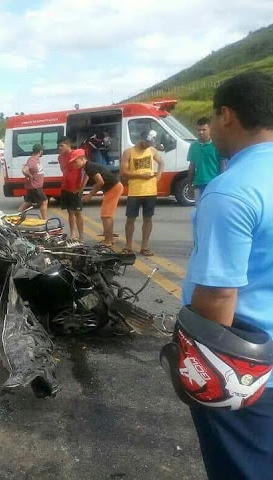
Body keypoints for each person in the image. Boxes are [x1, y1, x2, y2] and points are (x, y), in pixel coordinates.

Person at [181, 71, 273, 480]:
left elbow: (217, 298)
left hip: (249, 377)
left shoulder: (231, 190)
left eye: (213, 119)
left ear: (227, 115)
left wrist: (201, 379)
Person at [120, 129, 164, 256]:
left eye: (151, 143)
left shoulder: (152, 150)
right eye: (147, 142)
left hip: (150, 190)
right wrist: (140, 176)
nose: (148, 145)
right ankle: (128, 246)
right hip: (135, 191)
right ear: (142, 139)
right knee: (130, 219)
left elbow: (161, 162)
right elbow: (124, 171)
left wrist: (159, 175)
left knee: (148, 219)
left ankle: (144, 247)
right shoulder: (129, 152)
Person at [73, 151, 124, 246]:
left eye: (75, 162)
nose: (73, 165)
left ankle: (108, 241)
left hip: (113, 188)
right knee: (108, 215)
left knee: (105, 216)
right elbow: (87, 177)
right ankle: (111, 238)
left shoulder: (90, 166)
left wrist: (90, 195)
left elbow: (100, 182)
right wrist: (81, 188)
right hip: (114, 187)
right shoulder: (88, 167)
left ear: (82, 159)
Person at [186, 117, 226, 204]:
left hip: (213, 184)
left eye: (204, 130)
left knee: (212, 209)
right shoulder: (194, 146)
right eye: (199, 130)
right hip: (198, 184)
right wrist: (190, 185)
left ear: (210, 129)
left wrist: (222, 183)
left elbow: (222, 165)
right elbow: (192, 166)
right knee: (199, 211)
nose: (201, 132)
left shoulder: (216, 145)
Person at [58, 139, 84, 241]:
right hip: (65, 186)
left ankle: (81, 236)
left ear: (68, 145)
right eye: (59, 146)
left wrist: (81, 187)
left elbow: (84, 169)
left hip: (75, 187)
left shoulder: (77, 153)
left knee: (77, 212)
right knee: (70, 211)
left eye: (61, 145)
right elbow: (62, 169)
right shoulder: (60, 157)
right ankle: (73, 233)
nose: (59, 148)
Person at [18, 144, 48, 220]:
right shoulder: (32, 160)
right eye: (42, 151)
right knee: (44, 202)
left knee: (27, 203)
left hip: (33, 186)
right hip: (35, 186)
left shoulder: (35, 160)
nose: (43, 152)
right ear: (40, 151)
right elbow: (24, 170)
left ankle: (18, 217)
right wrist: (29, 175)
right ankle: (44, 221)